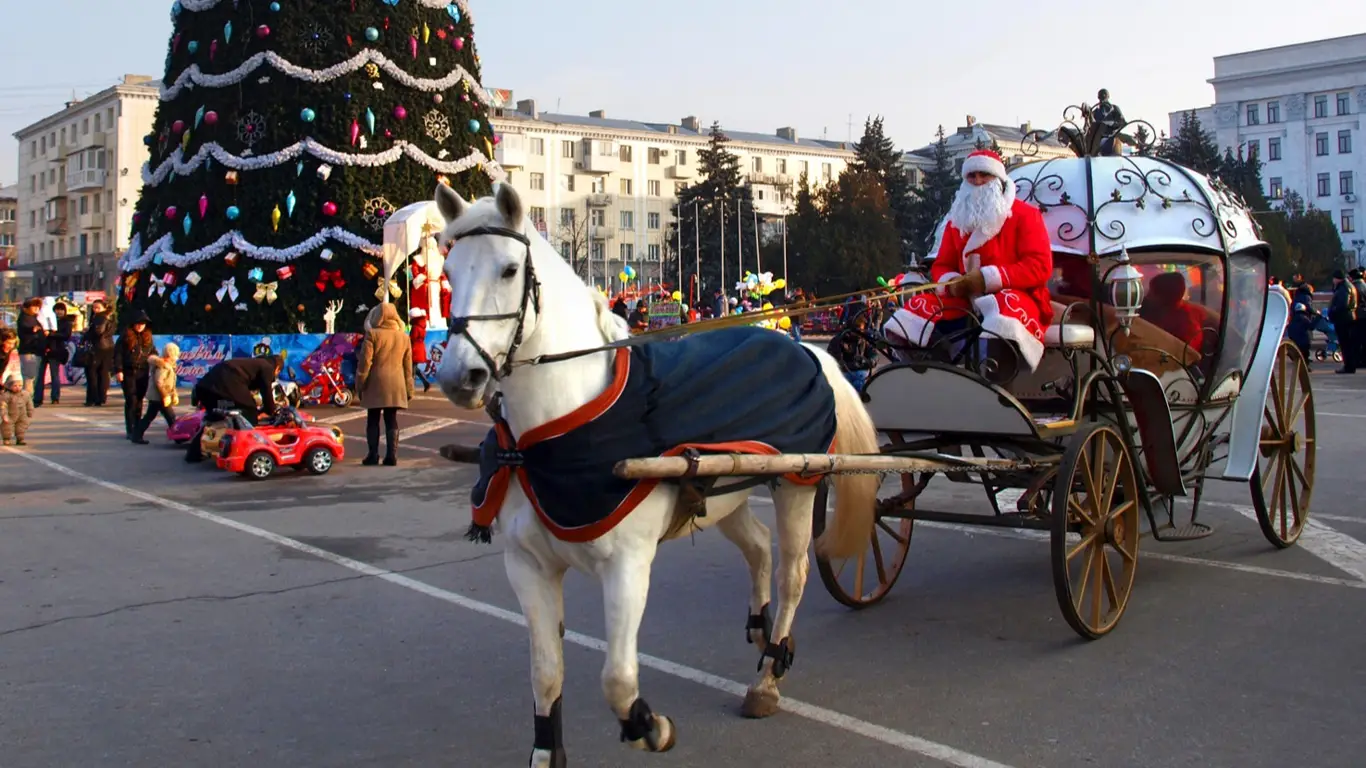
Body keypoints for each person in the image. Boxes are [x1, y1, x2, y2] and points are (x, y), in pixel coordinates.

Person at [883, 149, 1054, 371]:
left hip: (1017, 295)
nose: (978, 181)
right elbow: (942, 264)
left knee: (1002, 307)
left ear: (999, 179)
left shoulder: (1025, 215)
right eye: (971, 177)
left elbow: (1039, 266)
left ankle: (994, 375)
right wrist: (952, 282)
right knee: (920, 305)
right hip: (965, 300)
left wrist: (987, 278)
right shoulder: (957, 221)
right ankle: (930, 371)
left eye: (984, 175)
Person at [185, 354, 283, 462]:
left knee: (215, 417)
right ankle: (241, 452)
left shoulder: (249, 364)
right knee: (249, 413)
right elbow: (267, 391)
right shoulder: (267, 367)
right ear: (277, 368)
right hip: (224, 385)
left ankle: (194, 453)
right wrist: (270, 411)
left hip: (205, 388)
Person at [355, 303, 414, 466]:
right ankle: (391, 456)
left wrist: (360, 383)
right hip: (396, 382)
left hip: (375, 381)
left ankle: (373, 455)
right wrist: (410, 388)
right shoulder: (403, 336)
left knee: (373, 419)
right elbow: (408, 365)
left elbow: (365, 362)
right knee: (391, 419)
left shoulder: (372, 334)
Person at [112, 310, 155, 439]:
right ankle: (130, 429)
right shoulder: (125, 336)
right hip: (128, 371)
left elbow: (152, 352)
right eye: (138, 323)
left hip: (143, 371)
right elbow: (118, 354)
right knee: (131, 400)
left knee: (140, 400)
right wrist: (119, 370)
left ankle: (137, 427)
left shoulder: (147, 337)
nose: (140, 326)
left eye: (143, 324)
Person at [132, 342, 181, 445]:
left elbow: (170, 383)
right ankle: (178, 437)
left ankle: (136, 435)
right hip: (159, 397)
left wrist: (174, 394)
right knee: (171, 417)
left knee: (150, 416)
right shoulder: (163, 366)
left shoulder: (168, 365)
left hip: (158, 397)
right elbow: (159, 382)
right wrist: (165, 396)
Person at [36, 302, 73, 406]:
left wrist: (51, 334)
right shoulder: (45, 320)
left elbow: (66, 335)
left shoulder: (66, 322)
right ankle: (38, 398)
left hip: (56, 351)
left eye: (61, 309)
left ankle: (55, 397)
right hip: (43, 350)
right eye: (57, 309)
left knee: (55, 375)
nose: (59, 312)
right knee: (40, 376)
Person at [82, 299, 116, 407]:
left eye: (98, 307)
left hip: (98, 348)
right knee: (103, 373)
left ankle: (94, 398)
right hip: (108, 347)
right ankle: (101, 397)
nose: (95, 310)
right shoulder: (109, 317)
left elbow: (98, 332)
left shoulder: (99, 318)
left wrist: (86, 333)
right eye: (94, 307)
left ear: (104, 308)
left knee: (92, 373)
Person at [15, 298, 46, 402]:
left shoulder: (34, 318)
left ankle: (28, 399)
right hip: (29, 351)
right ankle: (26, 400)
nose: (37, 308)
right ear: (26, 308)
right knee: (29, 377)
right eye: (34, 306)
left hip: (36, 351)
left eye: (38, 306)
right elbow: (25, 330)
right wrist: (33, 331)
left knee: (33, 377)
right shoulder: (25, 318)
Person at [1329, 270, 1358, 374]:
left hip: (1344, 319)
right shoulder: (1348, 286)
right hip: (1348, 318)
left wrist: (1333, 311)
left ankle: (1348, 366)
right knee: (1348, 344)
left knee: (1345, 344)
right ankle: (1350, 365)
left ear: (1337, 278)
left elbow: (1343, 304)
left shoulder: (1343, 288)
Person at [1, 374, 33, 447]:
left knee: (21, 427)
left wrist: (30, 412)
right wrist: (4, 415)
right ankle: (6, 439)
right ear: (9, 386)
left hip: (22, 414)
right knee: (7, 427)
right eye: (15, 386)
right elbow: (3, 406)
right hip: (10, 414)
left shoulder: (25, 394)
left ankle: (20, 439)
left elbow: (29, 403)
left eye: (20, 385)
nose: (18, 388)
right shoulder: (6, 395)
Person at [409, 307, 431, 393]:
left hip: (414, 349)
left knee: (412, 369)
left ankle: (410, 388)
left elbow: (412, 339)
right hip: (419, 349)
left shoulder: (415, 327)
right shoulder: (422, 325)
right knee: (414, 368)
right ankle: (425, 382)